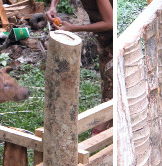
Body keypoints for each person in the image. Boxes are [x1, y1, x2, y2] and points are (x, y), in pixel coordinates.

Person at [46, 0, 113, 136]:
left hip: (113, 34)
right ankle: (107, 124)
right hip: (103, 38)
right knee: (107, 80)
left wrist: (74, 28)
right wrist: (53, 6)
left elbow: (111, 22)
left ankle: (101, 130)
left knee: (111, 82)